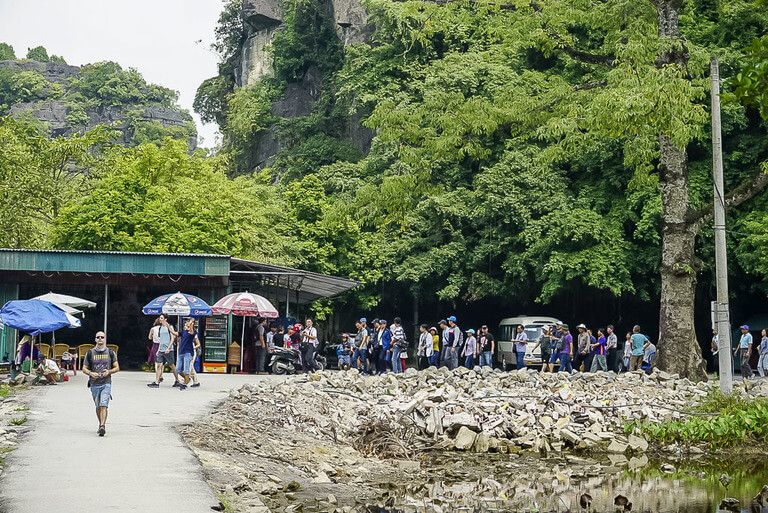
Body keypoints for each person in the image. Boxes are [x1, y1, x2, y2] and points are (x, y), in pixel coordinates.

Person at [82, 331, 119, 437]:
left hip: (106, 382)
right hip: (94, 383)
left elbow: (117, 367)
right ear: (95, 339)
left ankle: (102, 426)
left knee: (103, 404)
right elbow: (84, 368)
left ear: (105, 339)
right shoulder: (90, 353)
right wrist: (90, 373)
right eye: (98, 337)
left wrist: (109, 371)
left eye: (102, 337)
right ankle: (100, 424)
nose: (100, 339)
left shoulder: (110, 352)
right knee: (98, 406)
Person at [147, 315, 179, 388]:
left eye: (161, 318)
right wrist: (158, 350)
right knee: (159, 365)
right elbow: (161, 340)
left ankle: (177, 380)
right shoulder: (160, 328)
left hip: (168, 350)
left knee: (172, 365)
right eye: (159, 318)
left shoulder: (170, 327)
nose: (160, 319)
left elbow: (172, 338)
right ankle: (157, 382)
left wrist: (169, 348)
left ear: (165, 319)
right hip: (161, 349)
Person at [176, 318, 198, 390]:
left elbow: (198, 344)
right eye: (185, 324)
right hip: (182, 351)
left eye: (187, 324)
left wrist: (194, 348)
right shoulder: (183, 332)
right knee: (183, 369)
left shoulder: (193, 332)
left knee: (188, 369)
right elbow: (177, 336)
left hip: (190, 352)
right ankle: (189, 380)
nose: (186, 325)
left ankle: (188, 382)